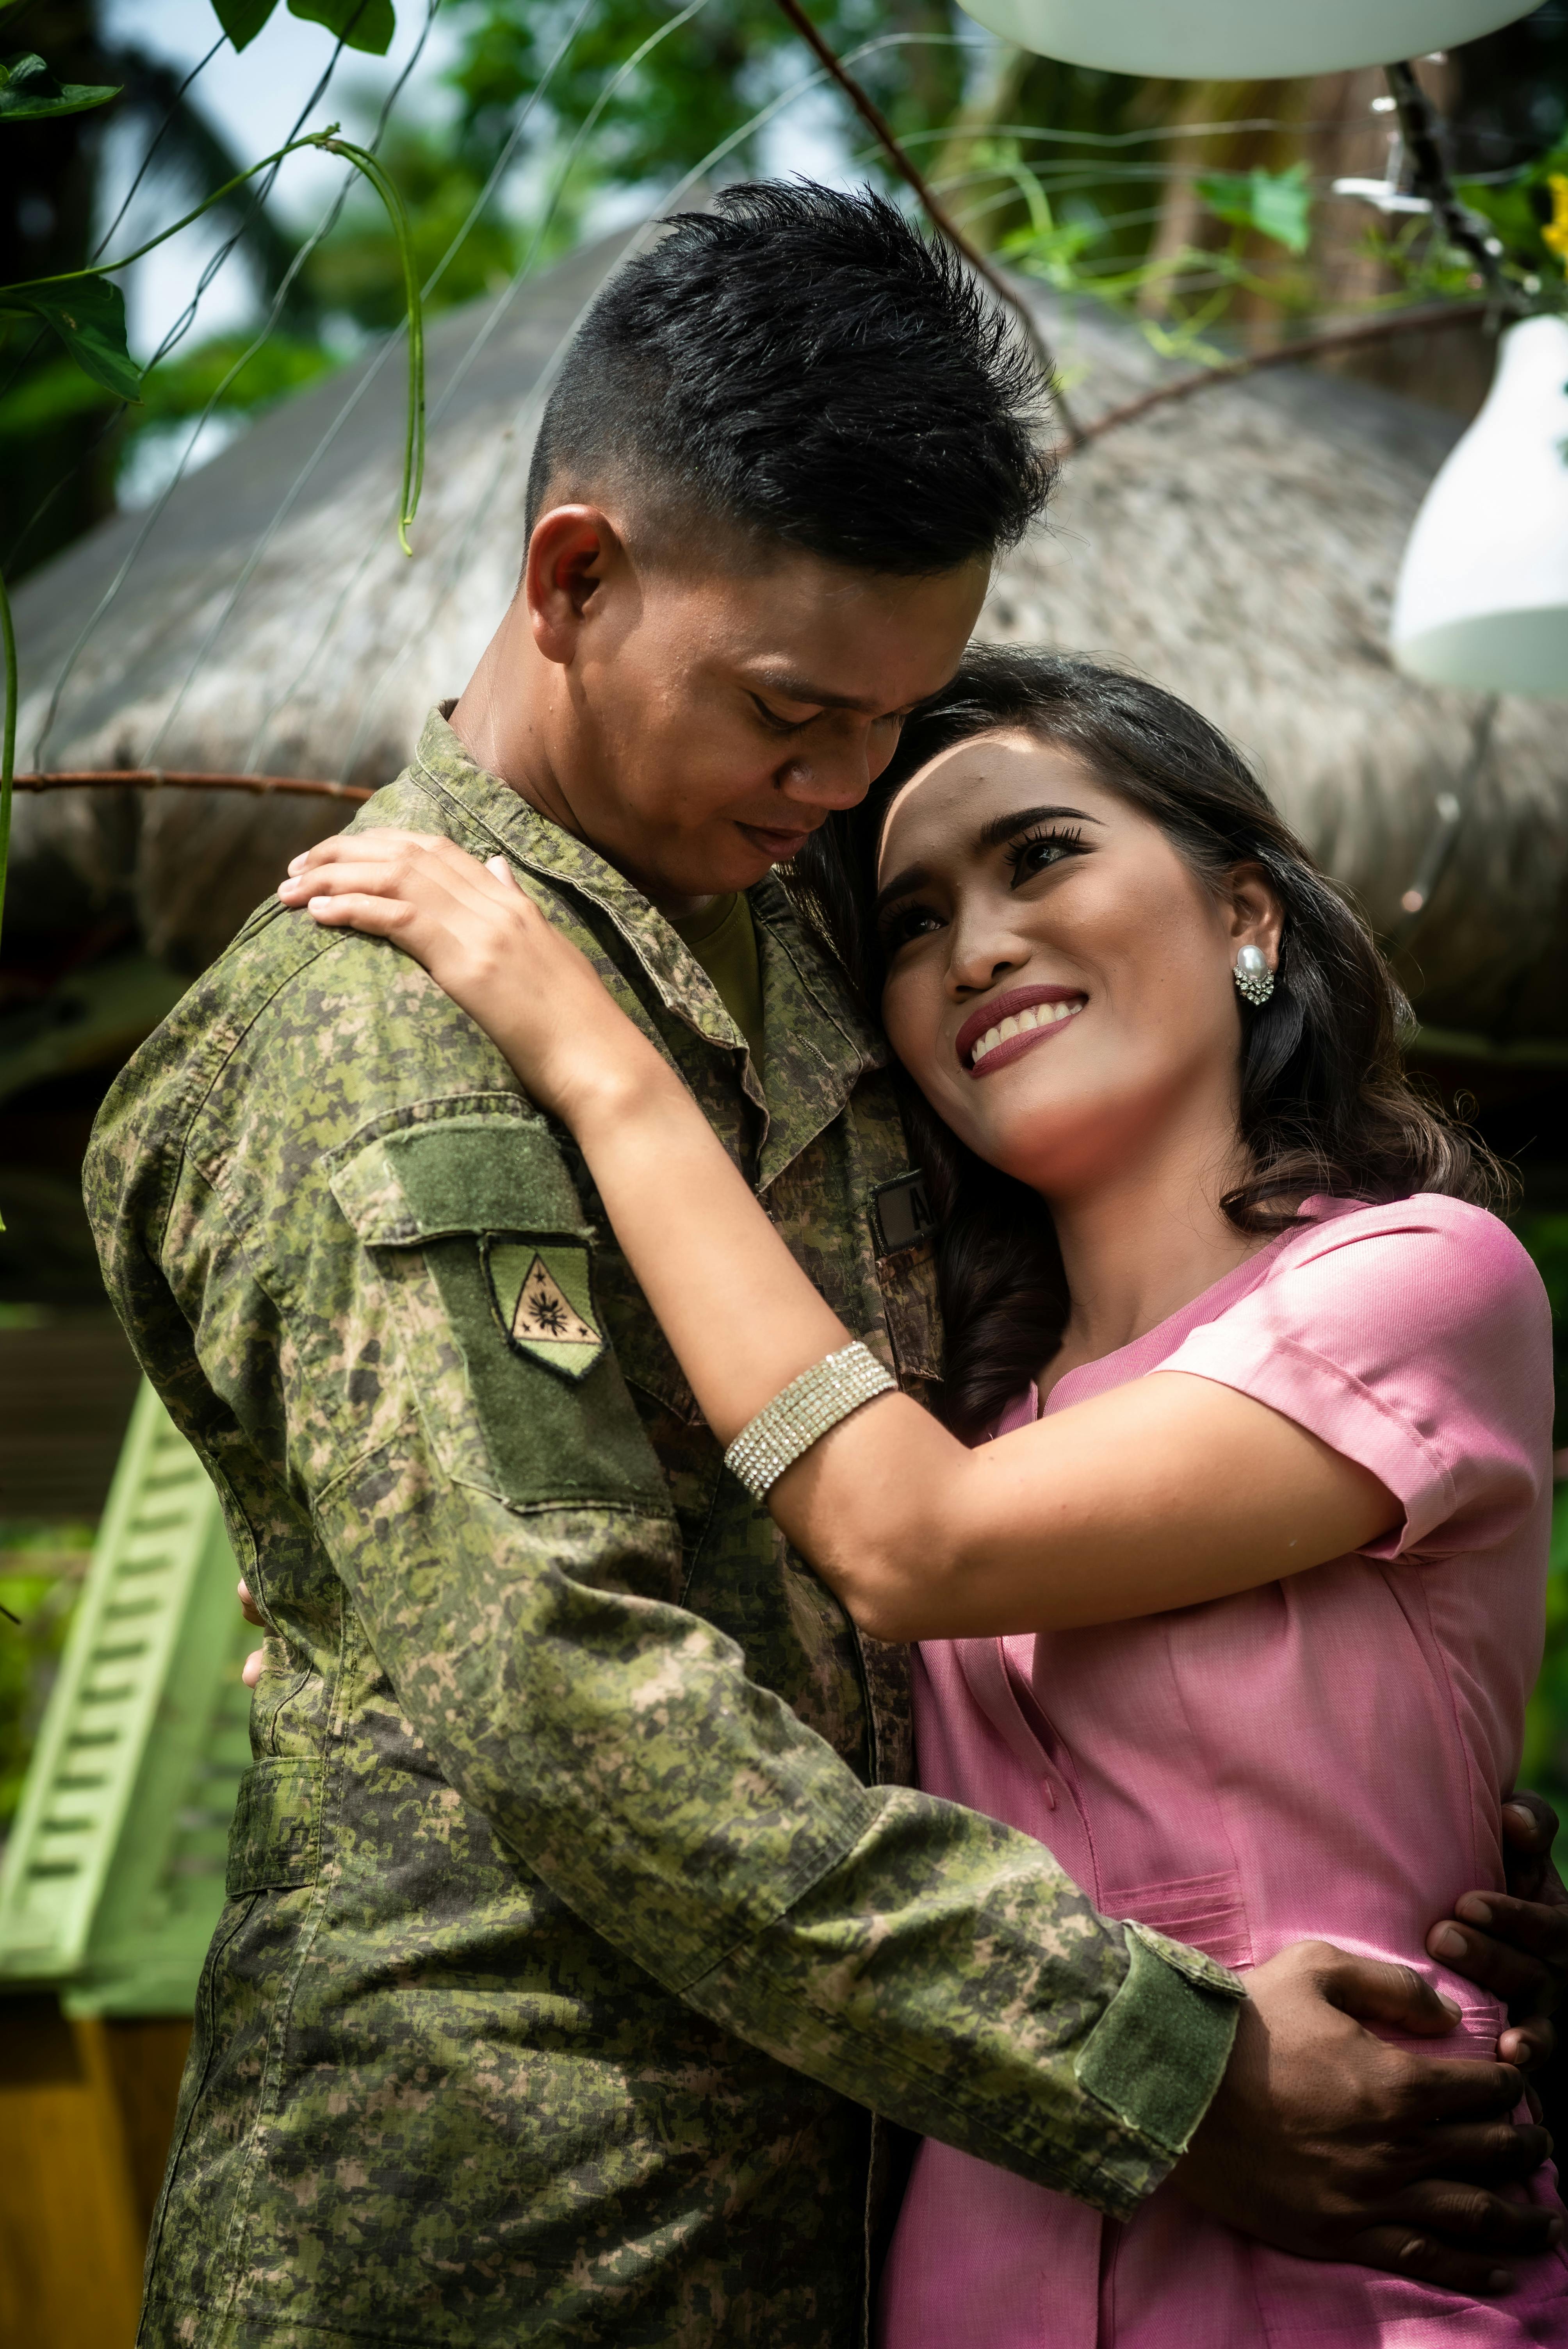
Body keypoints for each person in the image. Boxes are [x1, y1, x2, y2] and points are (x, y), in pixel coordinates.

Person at [86, 187, 1563, 2349]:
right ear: (576, 576)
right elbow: (575, 1699)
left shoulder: (819, 924)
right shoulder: (374, 1033)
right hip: (516, 2244)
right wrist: (1169, 2064)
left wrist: (1398, 1829)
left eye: (889, 720)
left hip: (915, 2237)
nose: (849, 784)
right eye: (797, 711)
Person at [278, 643, 1568, 2344]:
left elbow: (908, 1541)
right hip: (972, 2281)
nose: (975, 945)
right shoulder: (949, 1404)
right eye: (908, 921)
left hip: (1355, 2262)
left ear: (1244, 915)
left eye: (1041, 856)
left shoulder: (1414, 1282)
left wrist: (593, 1053)